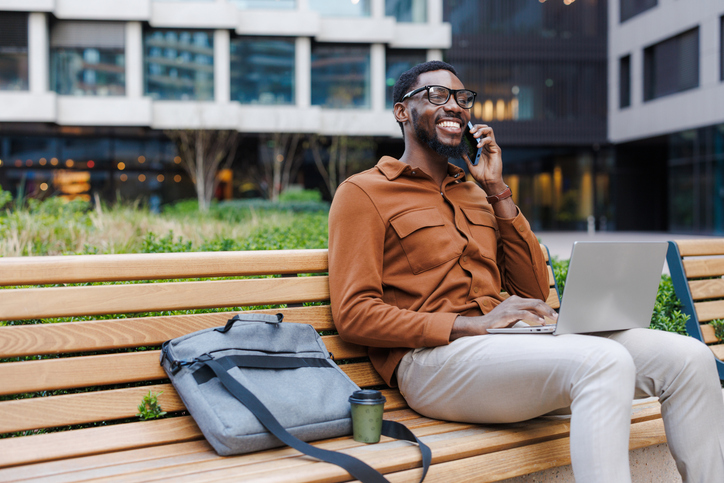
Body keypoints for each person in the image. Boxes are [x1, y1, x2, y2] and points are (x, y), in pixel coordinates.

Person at [328, 60, 724, 482]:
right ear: (401, 112)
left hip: (510, 349)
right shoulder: (364, 192)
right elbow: (354, 315)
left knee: (690, 359)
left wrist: (497, 191)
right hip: (432, 363)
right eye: (437, 95)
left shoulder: (476, 192)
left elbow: (535, 289)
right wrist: (473, 325)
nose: (456, 107)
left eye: (462, 99)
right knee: (603, 360)